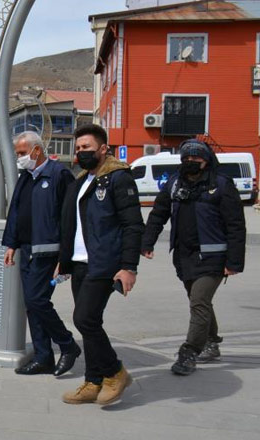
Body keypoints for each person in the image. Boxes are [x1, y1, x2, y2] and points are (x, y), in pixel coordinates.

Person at [141, 139, 246, 376]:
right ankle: (212, 341)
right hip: (184, 256)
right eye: (186, 158)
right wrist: (147, 242)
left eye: (195, 159)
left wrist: (234, 262)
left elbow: (236, 225)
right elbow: (158, 214)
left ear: (206, 161)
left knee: (199, 301)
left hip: (213, 257)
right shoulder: (174, 184)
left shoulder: (221, 185)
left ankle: (189, 353)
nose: (190, 162)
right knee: (201, 302)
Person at [58, 124, 144, 405]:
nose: (82, 152)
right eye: (79, 148)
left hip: (104, 263)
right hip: (80, 263)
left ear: (103, 149)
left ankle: (115, 372)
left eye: (88, 148)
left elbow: (133, 225)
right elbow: (70, 225)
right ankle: (93, 382)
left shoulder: (118, 179)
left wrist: (128, 266)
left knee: (84, 319)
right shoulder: (82, 180)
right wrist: (63, 260)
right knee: (88, 322)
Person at [1, 132, 81, 376]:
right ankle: (43, 356)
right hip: (27, 250)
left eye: (22, 153)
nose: (20, 158)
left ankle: (67, 345)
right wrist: (11, 244)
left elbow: (70, 219)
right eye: (17, 154)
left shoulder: (59, 175)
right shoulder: (26, 177)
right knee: (32, 305)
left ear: (37, 150)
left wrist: (64, 258)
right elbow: (16, 211)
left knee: (37, 300)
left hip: (48, 252)